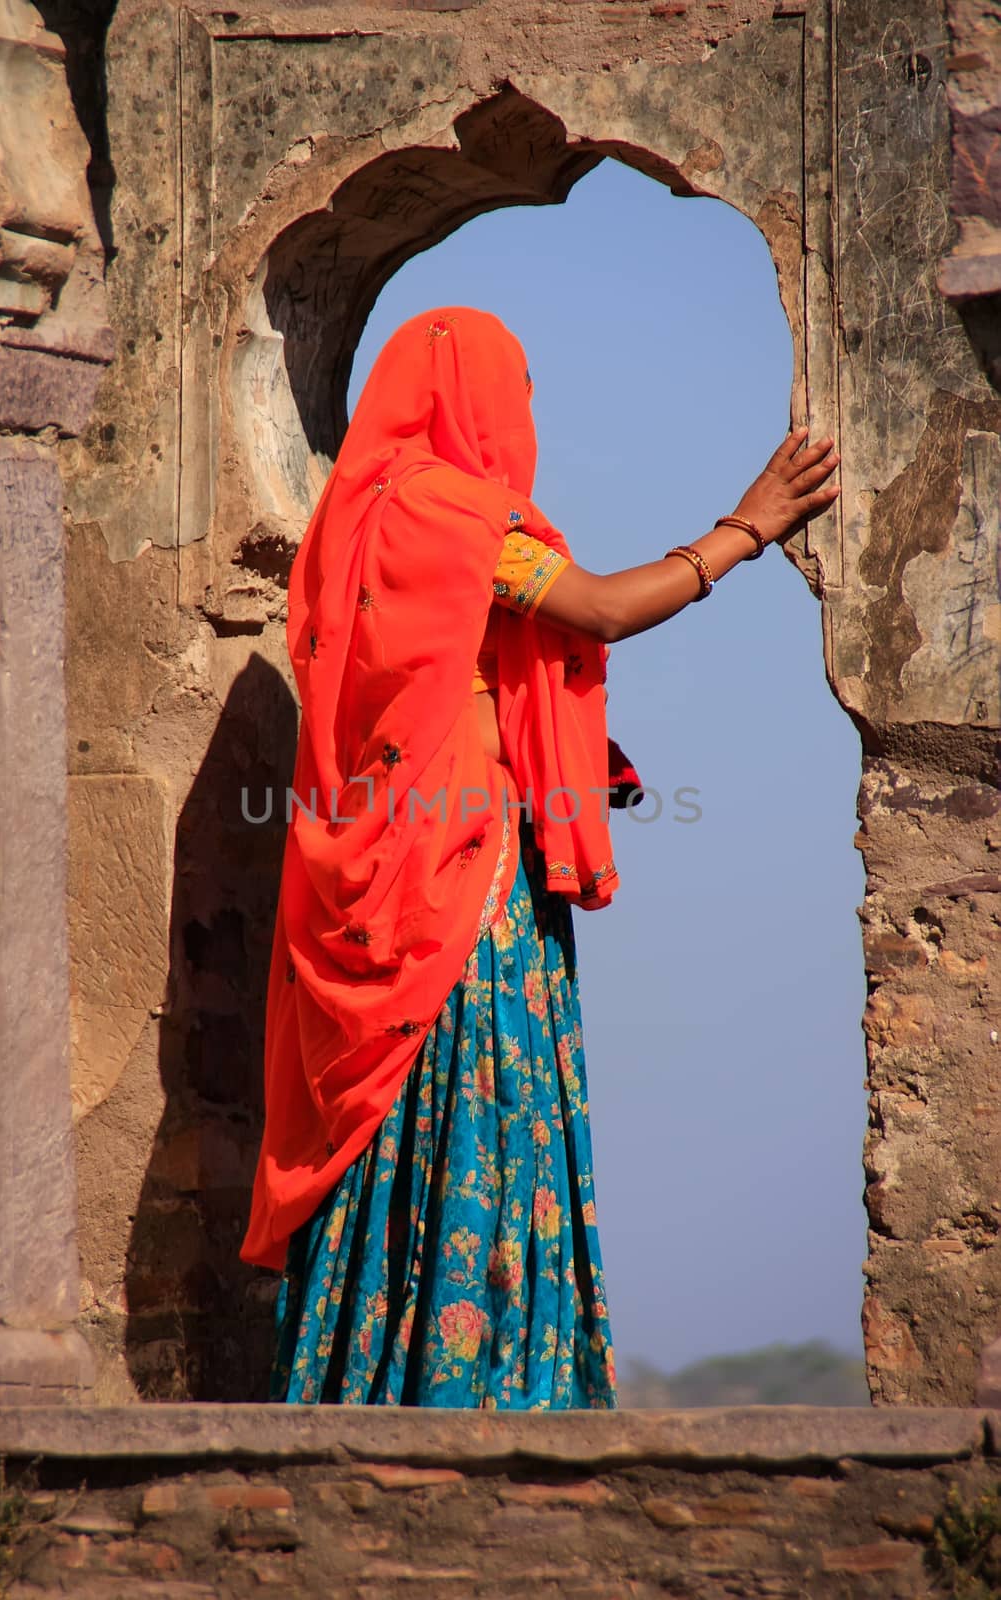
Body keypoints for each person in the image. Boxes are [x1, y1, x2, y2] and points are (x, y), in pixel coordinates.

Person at [241, 306, 840, 1408]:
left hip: (376, 867)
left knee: (388, 1109)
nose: (521, 422)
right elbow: (601, 610)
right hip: (461, 876)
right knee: (478, 1080)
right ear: (475, 400)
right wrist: (744, 529)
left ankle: (361, 1376)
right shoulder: (451, 517)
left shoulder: (347, 527)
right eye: (513, 394)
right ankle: (476, 1385)